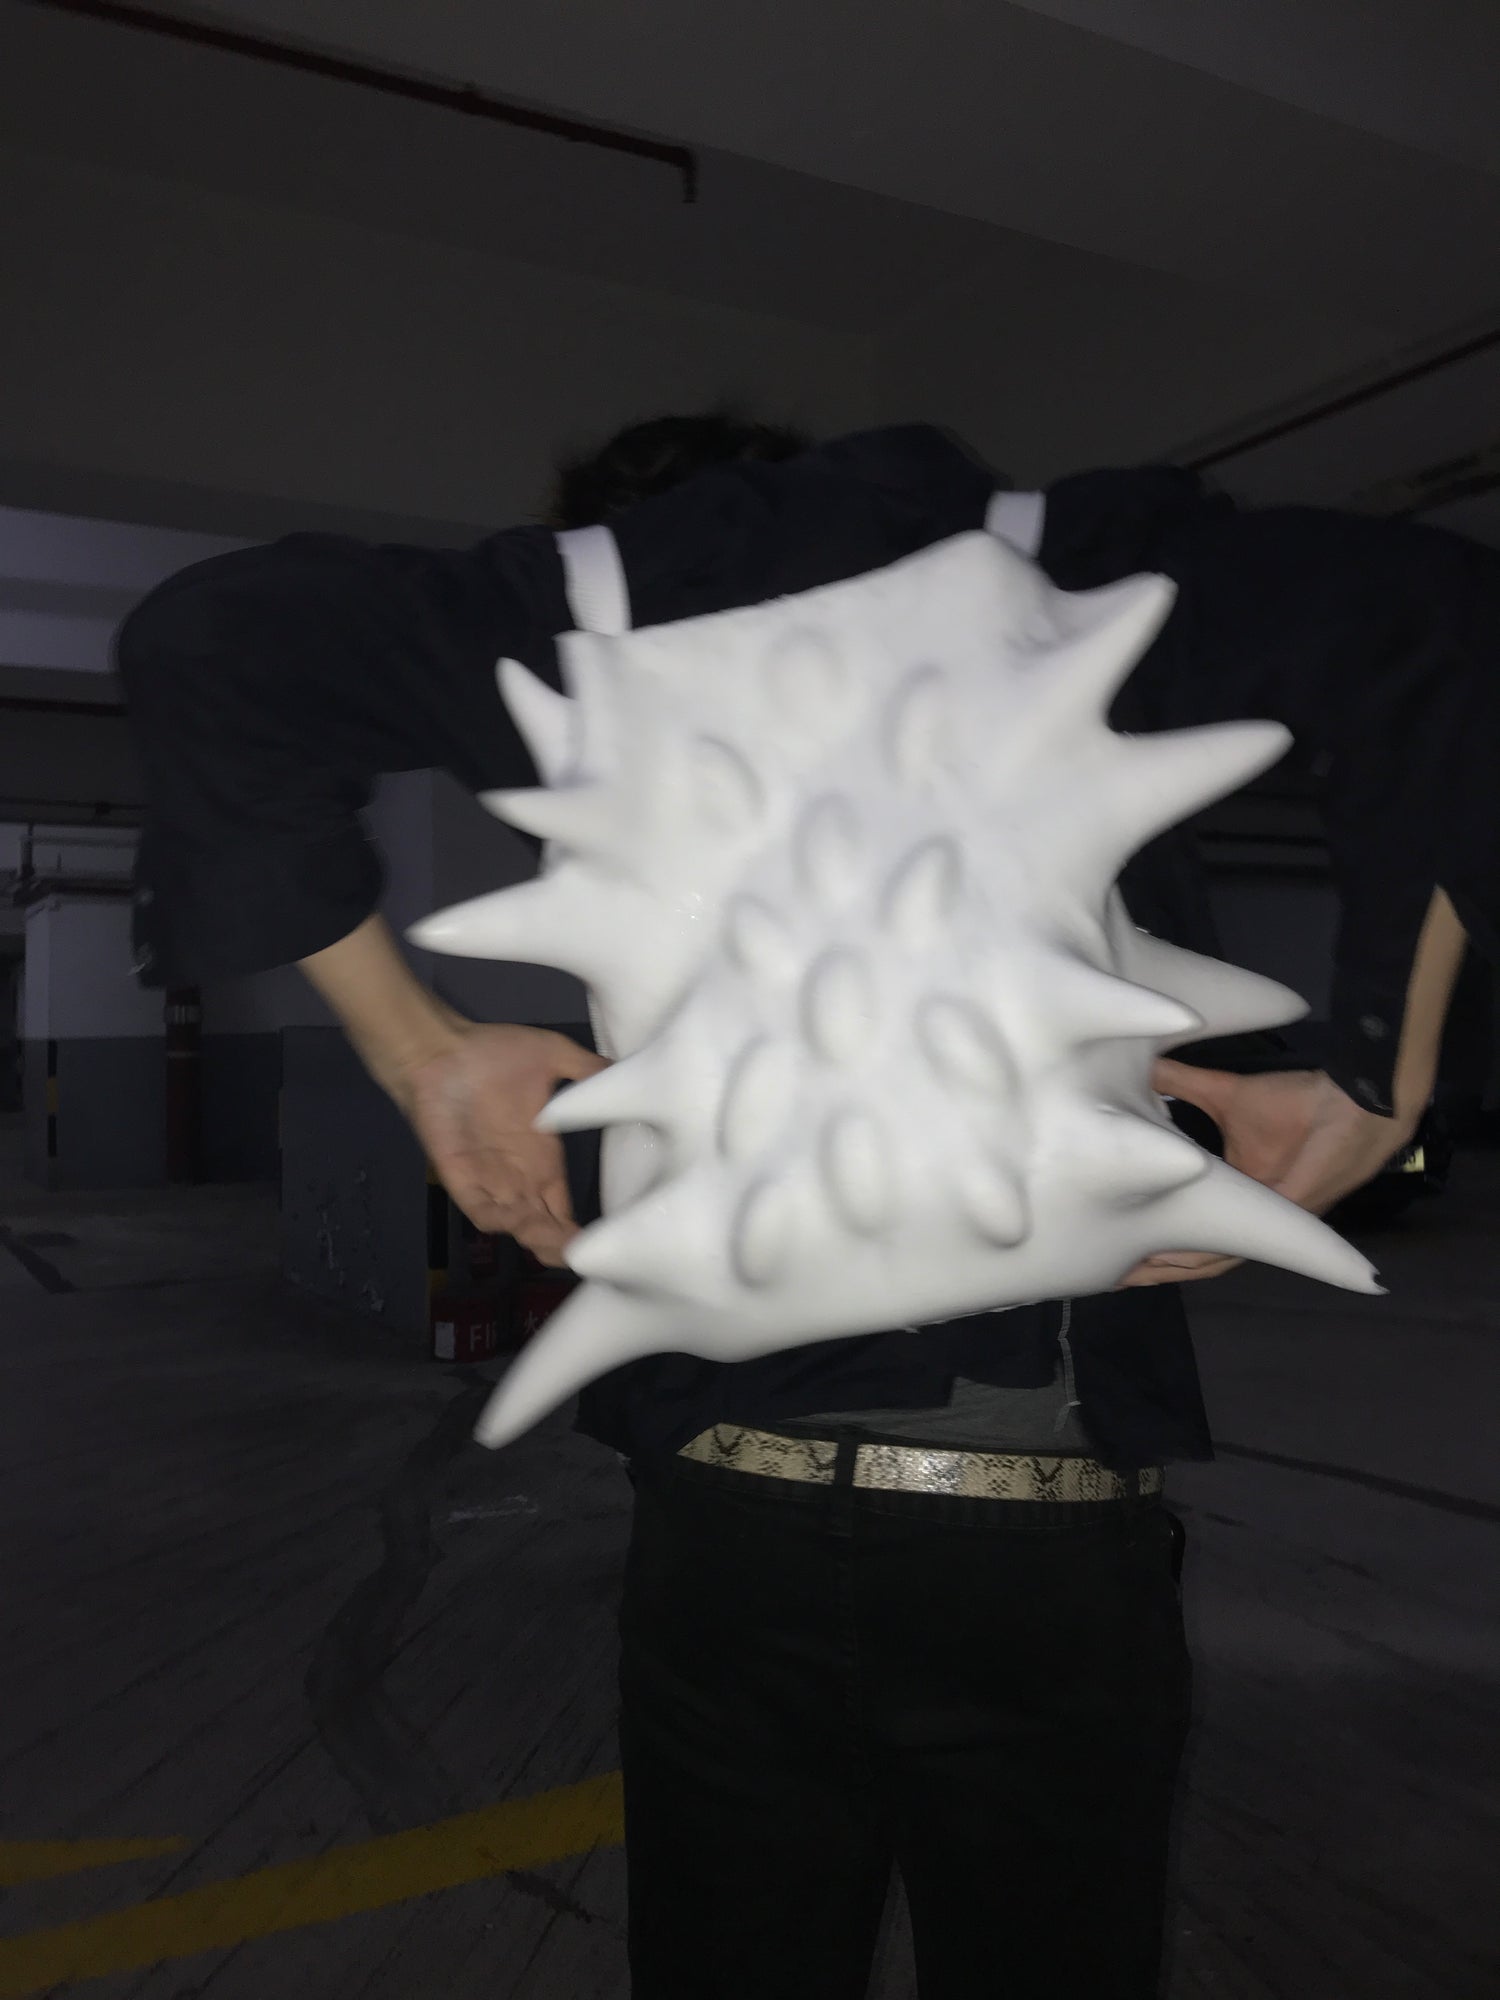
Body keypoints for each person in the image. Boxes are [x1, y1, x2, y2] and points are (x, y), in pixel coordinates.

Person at [118, 414, 1482, 1998]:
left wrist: (420, 1051)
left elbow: (209, 643)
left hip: (728, 1513)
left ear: (609, 527)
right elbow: (1446, 630)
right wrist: (1379, 1073)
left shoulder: (574, 624)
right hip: (1035, 1517)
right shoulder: (1062, 585)